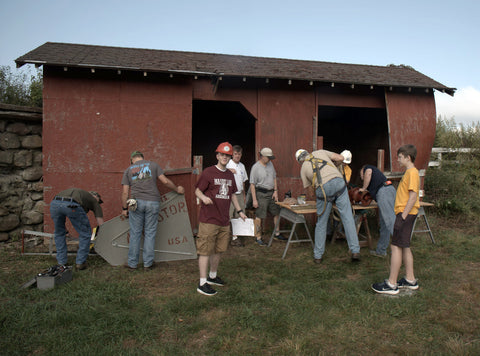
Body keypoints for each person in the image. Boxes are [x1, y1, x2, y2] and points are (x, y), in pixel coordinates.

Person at [195, 142, 247, 296]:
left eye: (227, 155)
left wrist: (240, 211)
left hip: (224, 220)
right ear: (217, 156)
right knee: (205, 250)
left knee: (218, 250)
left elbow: (232, 195)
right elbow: (197, 190)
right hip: (209, 219)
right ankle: (202, 282)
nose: (224, 157)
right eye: (222, 155)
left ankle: (212, 276)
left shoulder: (230, 175)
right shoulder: (208, 172)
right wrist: (203, 198)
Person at [121, 150, 185, 269]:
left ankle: (132, 264)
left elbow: (125, 192)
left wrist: (124, 208)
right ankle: (148, 264)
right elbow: (165, 181)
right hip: (153, 202)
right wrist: (177, 189)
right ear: (142, 158)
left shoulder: (128, 170)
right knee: (150, 233)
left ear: (132, 160)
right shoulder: (153, 165)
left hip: (136, 203)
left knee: (135, 233)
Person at [295, 148, 361, 263]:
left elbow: (311, 192)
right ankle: (355, 250)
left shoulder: (303, 168)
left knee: (321, 223)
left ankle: (318, 256)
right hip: (338, 182)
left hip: (323, 190)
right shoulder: (320, 152)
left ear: (300, 160)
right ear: (307, 152)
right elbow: (341, 158)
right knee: (347, 217)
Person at [372, 144, 420, 295]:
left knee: (395, 247)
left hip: (405, 214)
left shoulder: (412, 173)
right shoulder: (409, 172)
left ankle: (392, 284)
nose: (398, 159)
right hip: (407, 214)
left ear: (408, 157)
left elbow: (413, 196)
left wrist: (403, 216)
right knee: (404, 246)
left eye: (400, 157)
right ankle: (410, 280)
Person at [49, 188, 104, 270]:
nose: (98, 203)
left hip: (54, 203)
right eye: (99, 200)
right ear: (95, 196)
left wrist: (65, 229)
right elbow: (101, 223)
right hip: (72, 204)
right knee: (85, 233)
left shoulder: (80, 194)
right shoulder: (94, 200)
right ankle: (80, 262)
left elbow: (62, 205)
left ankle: (61, 262)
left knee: (59, 233)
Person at [248, 147, 286, 246]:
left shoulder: (270, 164)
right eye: (268, 157)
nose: (270, 159)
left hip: (271, 193)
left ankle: (277, 234)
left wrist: (276, 191)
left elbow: (274, 178)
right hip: (261, 193)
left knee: (276, 212)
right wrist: (254, 200)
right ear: (262, 156)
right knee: (259, 216)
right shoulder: (255, 167)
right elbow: (252, 184)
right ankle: (258, 237)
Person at [359, 164, 396, 257]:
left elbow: (368, 173)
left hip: (384, 192)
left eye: (361, 175)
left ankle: (401, 250)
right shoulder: (376, 180)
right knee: (384, 224)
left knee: (390, 222)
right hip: (387, 191)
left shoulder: (367, 168)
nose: (362, 178)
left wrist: (363, 188)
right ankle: (381, 251)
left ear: (362, 170)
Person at [226, 145, 249, 247]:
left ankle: (236, 238)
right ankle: (226, 238)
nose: (237, 156)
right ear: (232, 154)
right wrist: (228, 171)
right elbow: (220, 173)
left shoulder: (242, 166)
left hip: (239, 194)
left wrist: (244, 195)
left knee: (239, 215)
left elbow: (243, 182)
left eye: (239, 154)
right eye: (235, 154)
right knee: (228, 215)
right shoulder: (227, 164)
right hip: (229, 194)